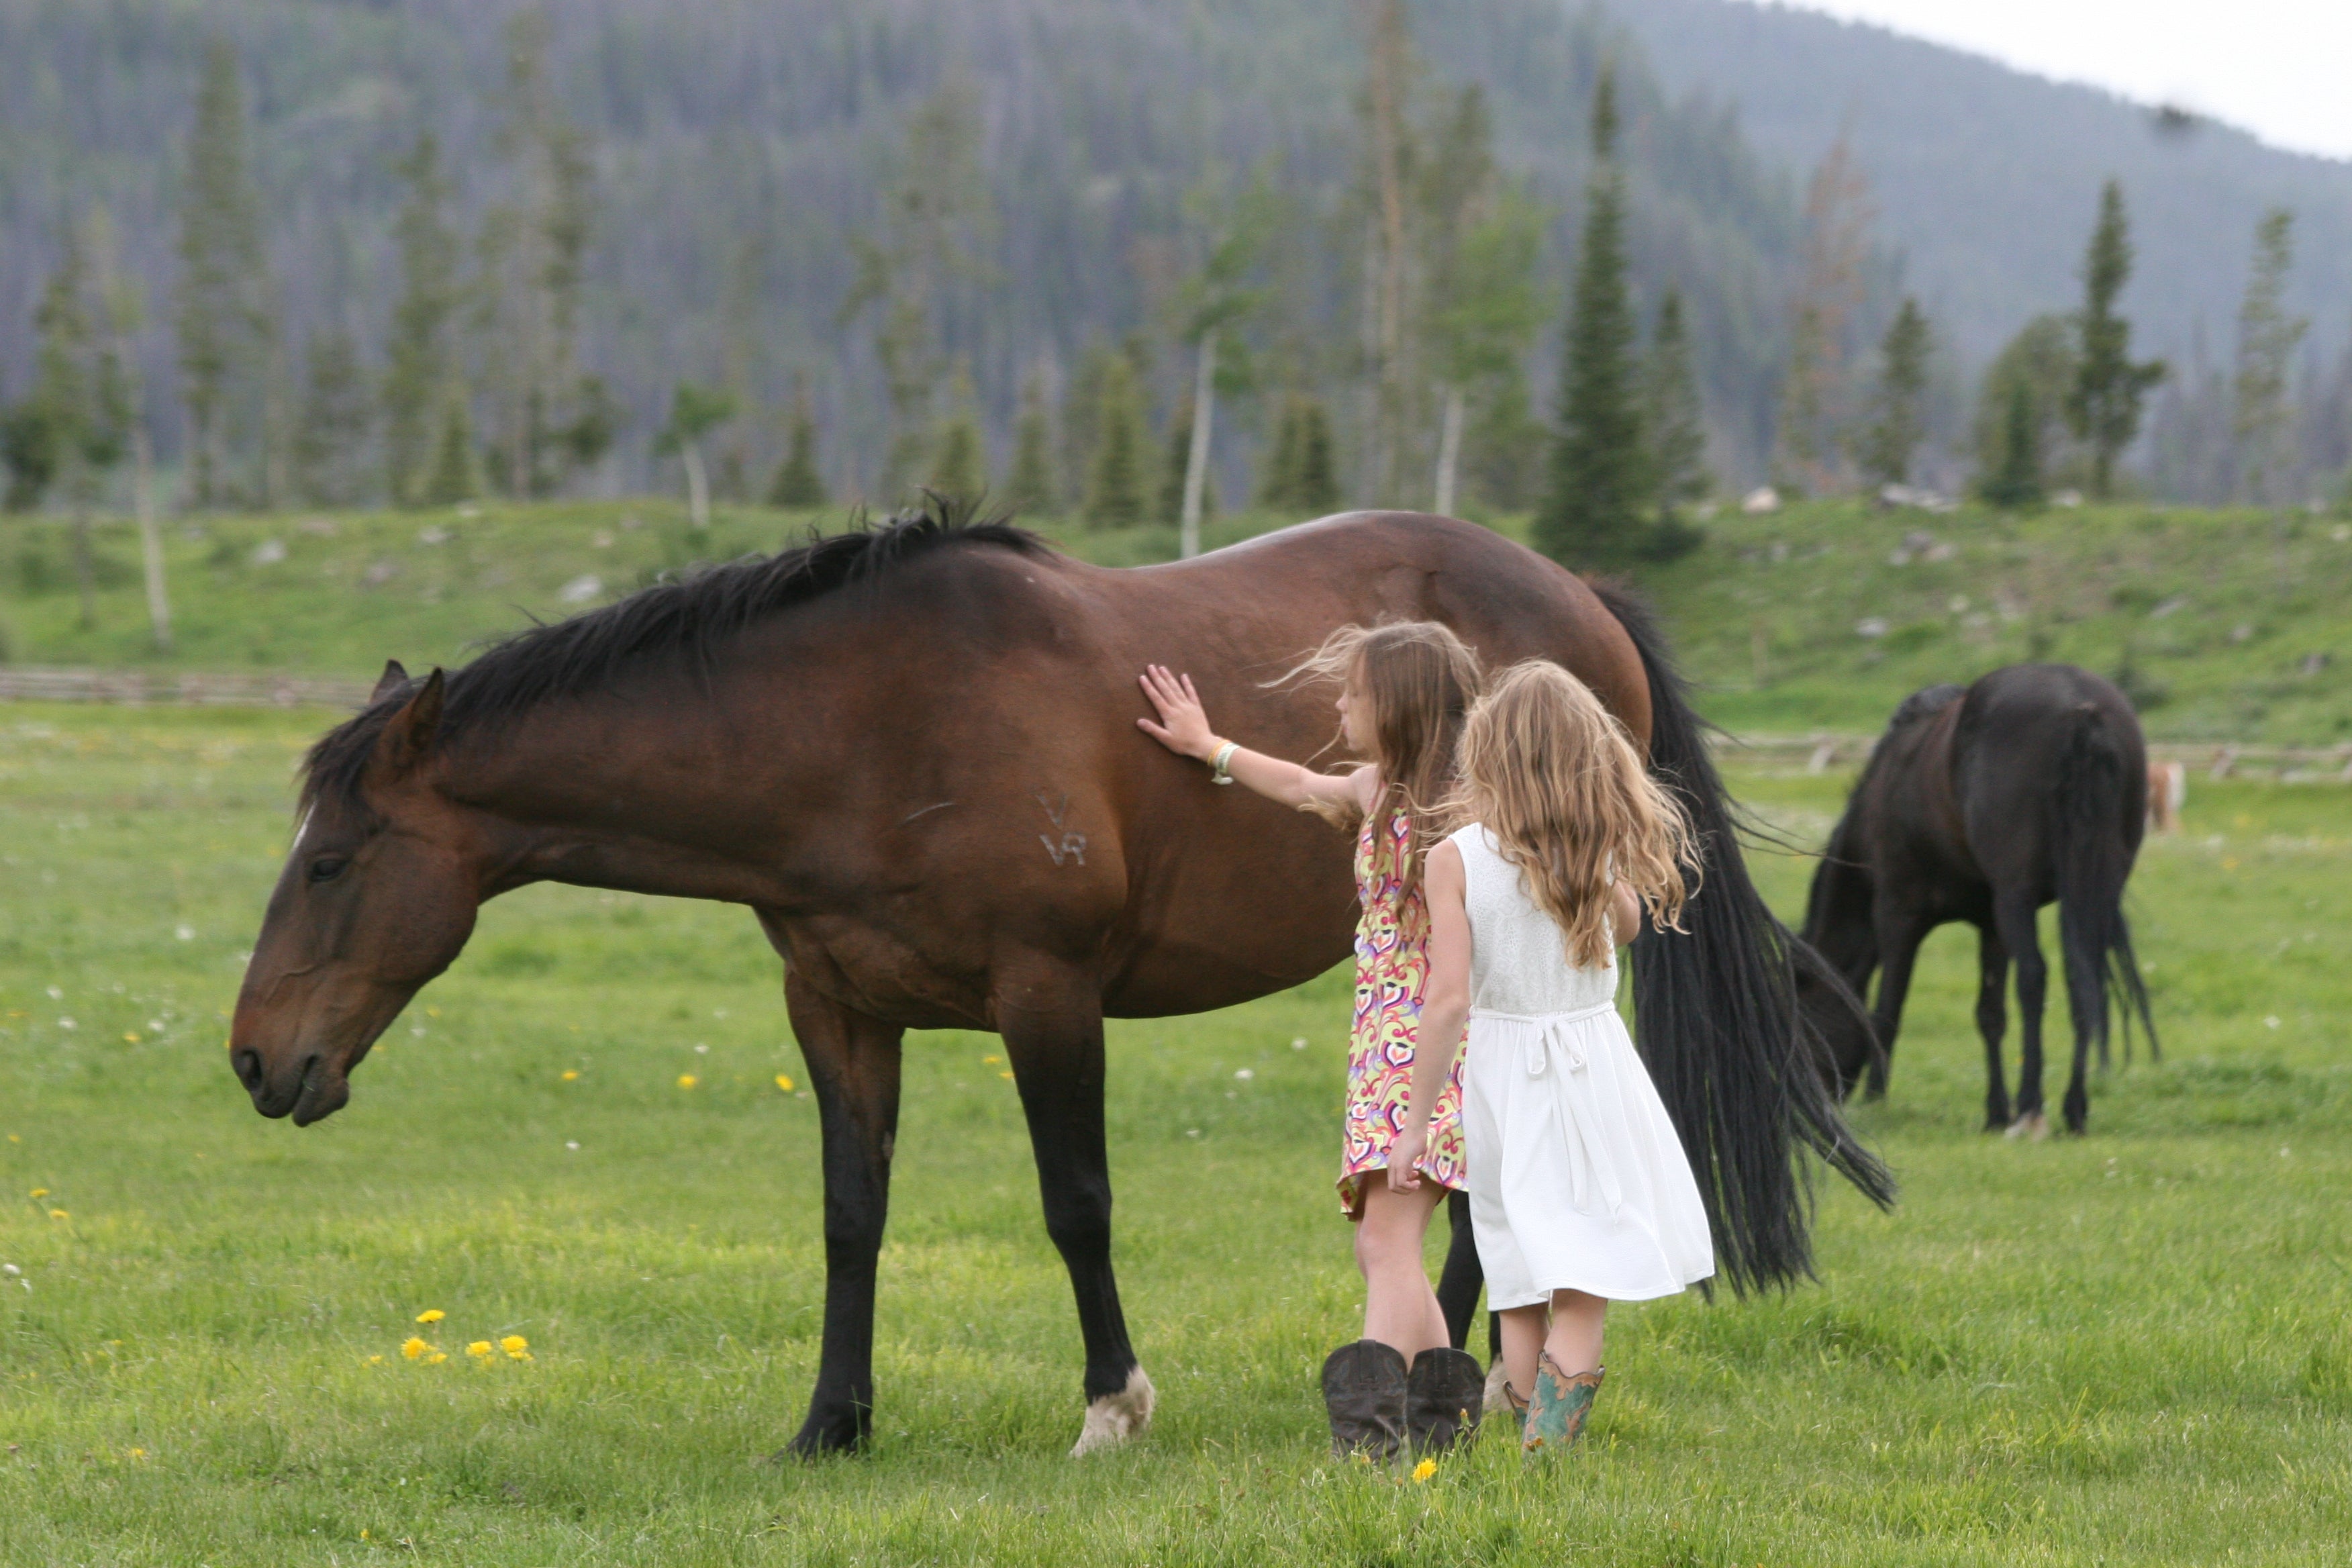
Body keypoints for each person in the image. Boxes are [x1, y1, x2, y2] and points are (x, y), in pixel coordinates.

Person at [1136, 622, 1487, 1459]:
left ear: (1396, 705)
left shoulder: (1465, 808)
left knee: (1384, 1240)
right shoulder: (1380, 788)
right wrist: (1208, 745)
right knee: (1389, 1240)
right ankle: (1447, 1427)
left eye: (1354, 693)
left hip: (1429, 1041)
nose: (1338, 704)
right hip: (1387, 1044)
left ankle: (1370, 1441)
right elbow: (1298, 783)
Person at [1389, 659, 1714, 1455]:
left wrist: (1418, 1120)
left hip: (1498, 1076)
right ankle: (1548, 1452)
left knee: (1518, 1266)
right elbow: (1629, 929)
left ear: (1488, 753)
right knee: (1583, 1265)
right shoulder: (1596, 849)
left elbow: (1449, 999)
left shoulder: (1455, 856)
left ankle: (1538, 1446)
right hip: (1590, 1063)